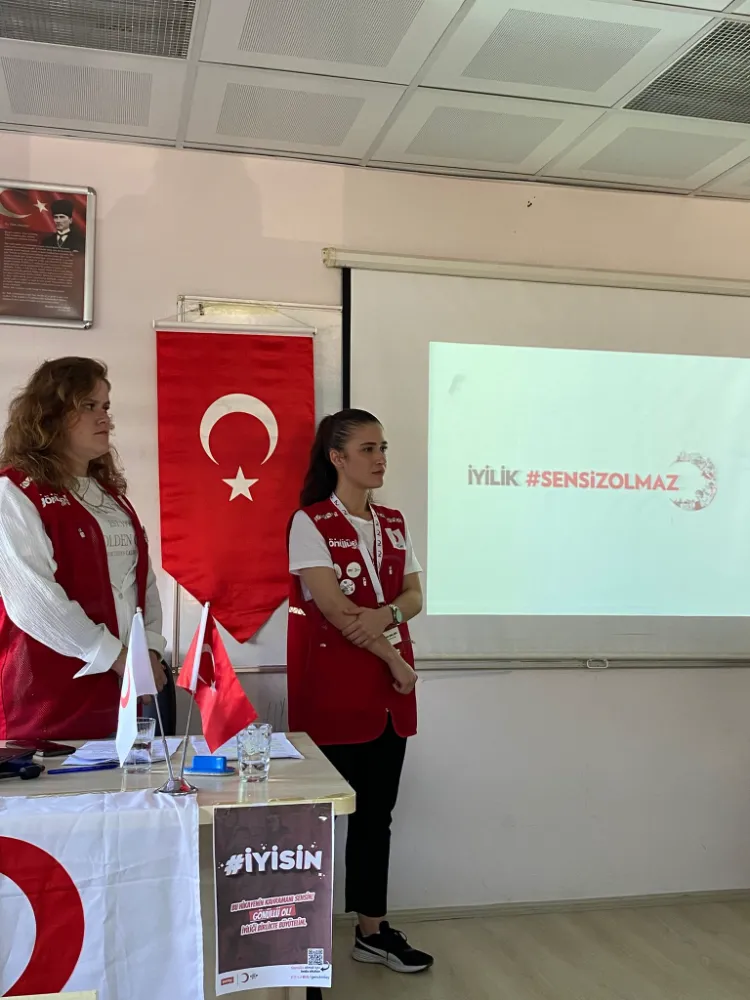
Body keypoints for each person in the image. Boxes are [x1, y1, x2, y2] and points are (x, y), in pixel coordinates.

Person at [287, 408, 433, 974]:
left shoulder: (393, 522)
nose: (380, 459)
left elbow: (414, 595)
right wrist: (393, 655)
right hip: (337, 691)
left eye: (383, 448)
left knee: (376, 817)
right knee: (316, 820)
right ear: (337, 458)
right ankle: (301, 937)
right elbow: (333, 607)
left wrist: (387, 615)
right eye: (368, 449)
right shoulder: (311, 521)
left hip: (389, 695)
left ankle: (371, 931)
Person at [0, 357, 166, 740]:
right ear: (51, 414)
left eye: (106, 406)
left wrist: (150, 651)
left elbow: (144, 584)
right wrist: (119, 658)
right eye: (89, 406)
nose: (105, 418)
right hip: (46, 705)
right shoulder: (14, 491)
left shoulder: (112, 498)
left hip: (122, 698)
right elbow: (35, 603)